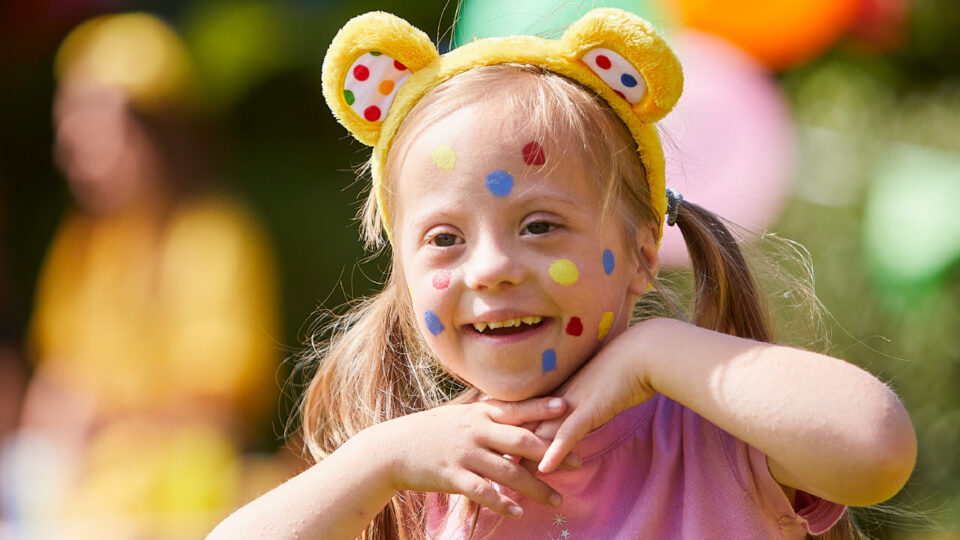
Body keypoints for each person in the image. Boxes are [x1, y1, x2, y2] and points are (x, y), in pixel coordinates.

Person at [210, 8, 916, 540]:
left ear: (643, 253)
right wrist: (380, 460)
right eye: (444, 239)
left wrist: (657, 351)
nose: (489, 269)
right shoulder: (422, 471)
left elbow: (878, 449)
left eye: (540, 226)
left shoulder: (715, 434)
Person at [9, 13, 284, 537]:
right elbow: (55, 372)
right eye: (66, 124)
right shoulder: (85, 240)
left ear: (156, 131)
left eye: (91, 125)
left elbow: (220, 412)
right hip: (81, 484)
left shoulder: (216, 239)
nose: (69, 147)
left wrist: (107, 420)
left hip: (180, 497)